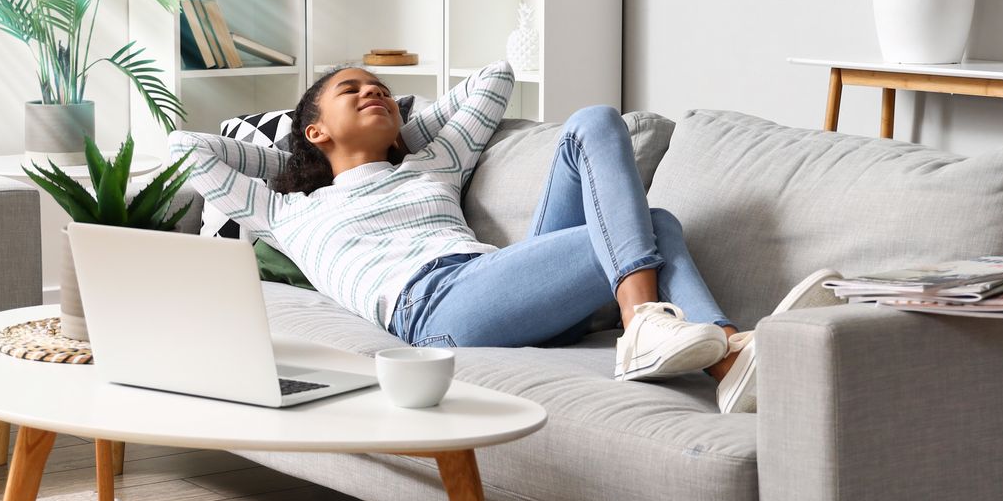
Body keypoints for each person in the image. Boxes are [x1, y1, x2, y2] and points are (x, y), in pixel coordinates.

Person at [168, 61, 814, 413]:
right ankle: (707, 344)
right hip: (436, 310)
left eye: (383, 89)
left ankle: (670, 332)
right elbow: (187, 149)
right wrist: (292, 152)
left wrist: (401, 130)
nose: (374, 92)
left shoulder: (433, 164)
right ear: (315, 130)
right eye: (351, 90)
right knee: (654, 224)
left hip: (501, 283)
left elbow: (493, 79)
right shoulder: (287, 213)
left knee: (596, 124)